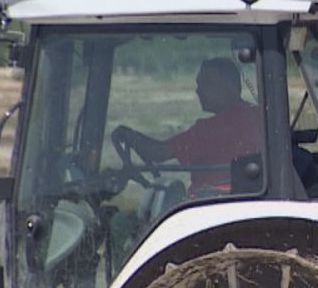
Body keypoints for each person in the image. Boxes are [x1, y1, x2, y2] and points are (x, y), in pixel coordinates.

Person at [112, 57, 263, 192]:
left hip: (206, 205)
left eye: (207, 84)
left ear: (229, 86)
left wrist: (130, 137)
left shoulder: (208, 130)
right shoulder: (259, 117)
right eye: (199, 84)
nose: (198, 91)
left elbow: (156, 153)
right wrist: (135, 136)